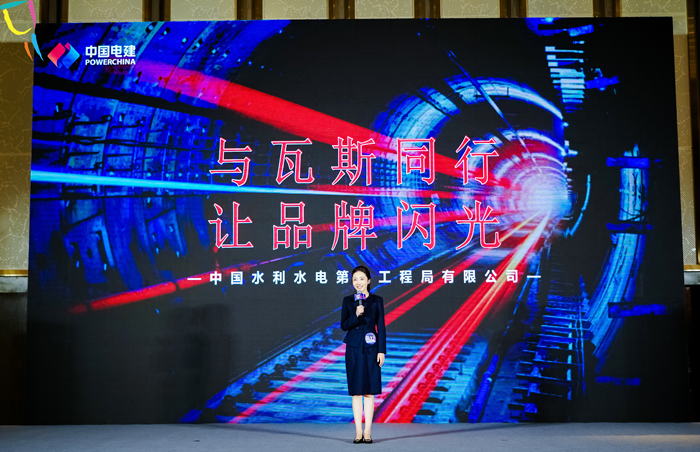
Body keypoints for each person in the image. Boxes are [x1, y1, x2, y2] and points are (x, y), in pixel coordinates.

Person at [340, 265, 386, 444]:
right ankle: (358, 432)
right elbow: (344, 325)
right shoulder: (348, 301)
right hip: (353, 347)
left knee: (369, 392)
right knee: (356, 392)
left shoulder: (377, 300)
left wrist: (381, 350)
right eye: (355, 280)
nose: (358, 283)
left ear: (368, 280)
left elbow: (380, 327)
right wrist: (356, 315)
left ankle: (368, 432)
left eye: (361, 279)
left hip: (371, 347)